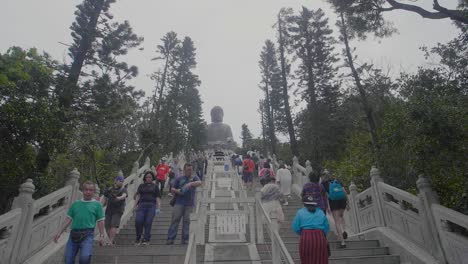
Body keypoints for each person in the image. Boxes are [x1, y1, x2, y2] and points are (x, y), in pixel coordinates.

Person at [54, 181, 105, 264]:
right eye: (86, 190)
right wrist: (59, 232)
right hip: (73, 235)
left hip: (87, 235)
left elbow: (100, 221)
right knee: (68, 260)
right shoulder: (75, 204)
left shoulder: (97, 205)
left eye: (91, 190)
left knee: (85, 258)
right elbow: (68, 219)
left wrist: (102, 235)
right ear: (83, 190)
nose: (88, 192)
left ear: (93, 192)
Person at [166, 163, 202, 245]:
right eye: (188, 169)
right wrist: (177, 191)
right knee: (175, 221)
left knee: (187, 222)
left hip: (189, 204)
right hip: (179, 203)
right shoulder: (179, 178)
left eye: (191, 169)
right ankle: (170, 238)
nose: (190, 171)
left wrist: (190, 184)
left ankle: (185, 240)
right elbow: (172, 188)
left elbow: (200, 182)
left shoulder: (194, 178)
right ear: (184, 170)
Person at [292, 194, 330, 264]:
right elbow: (326, 227)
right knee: (320, 259)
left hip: (306, 237)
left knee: (306, 259)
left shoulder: (300, 212)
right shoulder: (321, 212)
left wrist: (302, 233)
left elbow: (295, 227)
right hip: (320, 237)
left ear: (304, 204)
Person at [322, 171, 349, 248]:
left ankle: (342, 242)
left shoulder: (324, 184)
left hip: (333, 202)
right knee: (341, 216)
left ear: (323, 176)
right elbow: (344, 191)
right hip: (342, 200)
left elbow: (326, 196)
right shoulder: (337, 181)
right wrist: (348, 202)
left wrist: (327, 207)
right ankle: (344, 230)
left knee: (337, 221)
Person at [134, 171, 161, 245]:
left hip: (151, 206)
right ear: (145, 178)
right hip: (141, 205)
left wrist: (158, 207)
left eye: (150, 177)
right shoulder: (141, 186)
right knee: (138, 221)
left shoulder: (155, 186)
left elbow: (158, 197)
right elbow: (138, 196)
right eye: (147, 177)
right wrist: (135, 205)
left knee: (148, 222)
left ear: (152, 178)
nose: (148, 178)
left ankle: (146, 239)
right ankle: (138, 237)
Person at [101, 175, 128, 246]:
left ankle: (110, 241)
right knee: (107, 225)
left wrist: (119, 198)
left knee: (113, 224)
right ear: (115, 180)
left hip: (118, 209)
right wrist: (100, 206)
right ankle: (111, 240)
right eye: (120, 181)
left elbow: (124, 195)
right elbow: (104, 198)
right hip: (109, 209)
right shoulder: (109, 189)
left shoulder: (123, 189)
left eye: (122, 181)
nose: (121, 182)